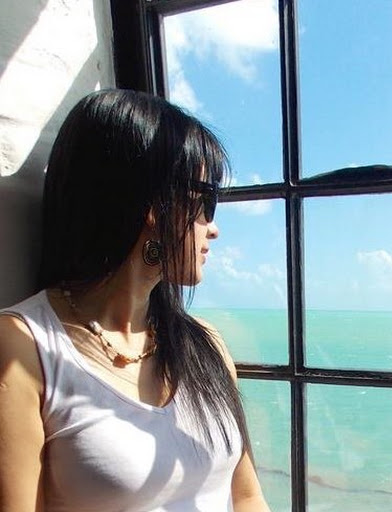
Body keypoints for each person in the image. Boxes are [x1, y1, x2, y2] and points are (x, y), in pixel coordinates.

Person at [0, 89, 271, 512]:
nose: (213, 228)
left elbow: (248, 497)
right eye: (206, 203)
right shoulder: (23, 347)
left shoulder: (206, 346)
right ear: (152, 204)